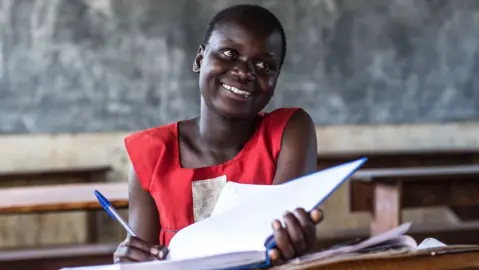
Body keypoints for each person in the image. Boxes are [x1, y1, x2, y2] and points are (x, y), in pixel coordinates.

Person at [113, 4, 323, 266]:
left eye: (264, 65)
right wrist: (132, 261)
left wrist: (294, 242)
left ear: (276, 80)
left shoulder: (288, 132)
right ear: (200, 60)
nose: (245, 72)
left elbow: (282, 243)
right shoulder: (152, 154)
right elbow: (145, 260)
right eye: (229, 53)